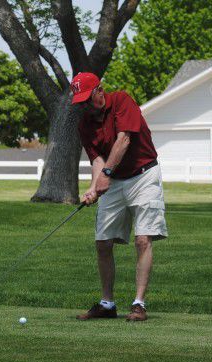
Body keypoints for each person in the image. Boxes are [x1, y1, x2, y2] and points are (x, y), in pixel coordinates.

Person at [71, 72, 168, 322]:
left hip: (144, 174)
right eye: (79, 102)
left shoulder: (123, 101)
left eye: (87, 99)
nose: (84, 106)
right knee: (103, 241)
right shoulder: (85, 124)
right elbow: (97, 159)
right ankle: (107, 304)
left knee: (143, 239)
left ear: (99, 91)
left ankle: (139, 304)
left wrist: (105, 174)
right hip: (114, 179)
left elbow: (124, 140)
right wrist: (94, 187)